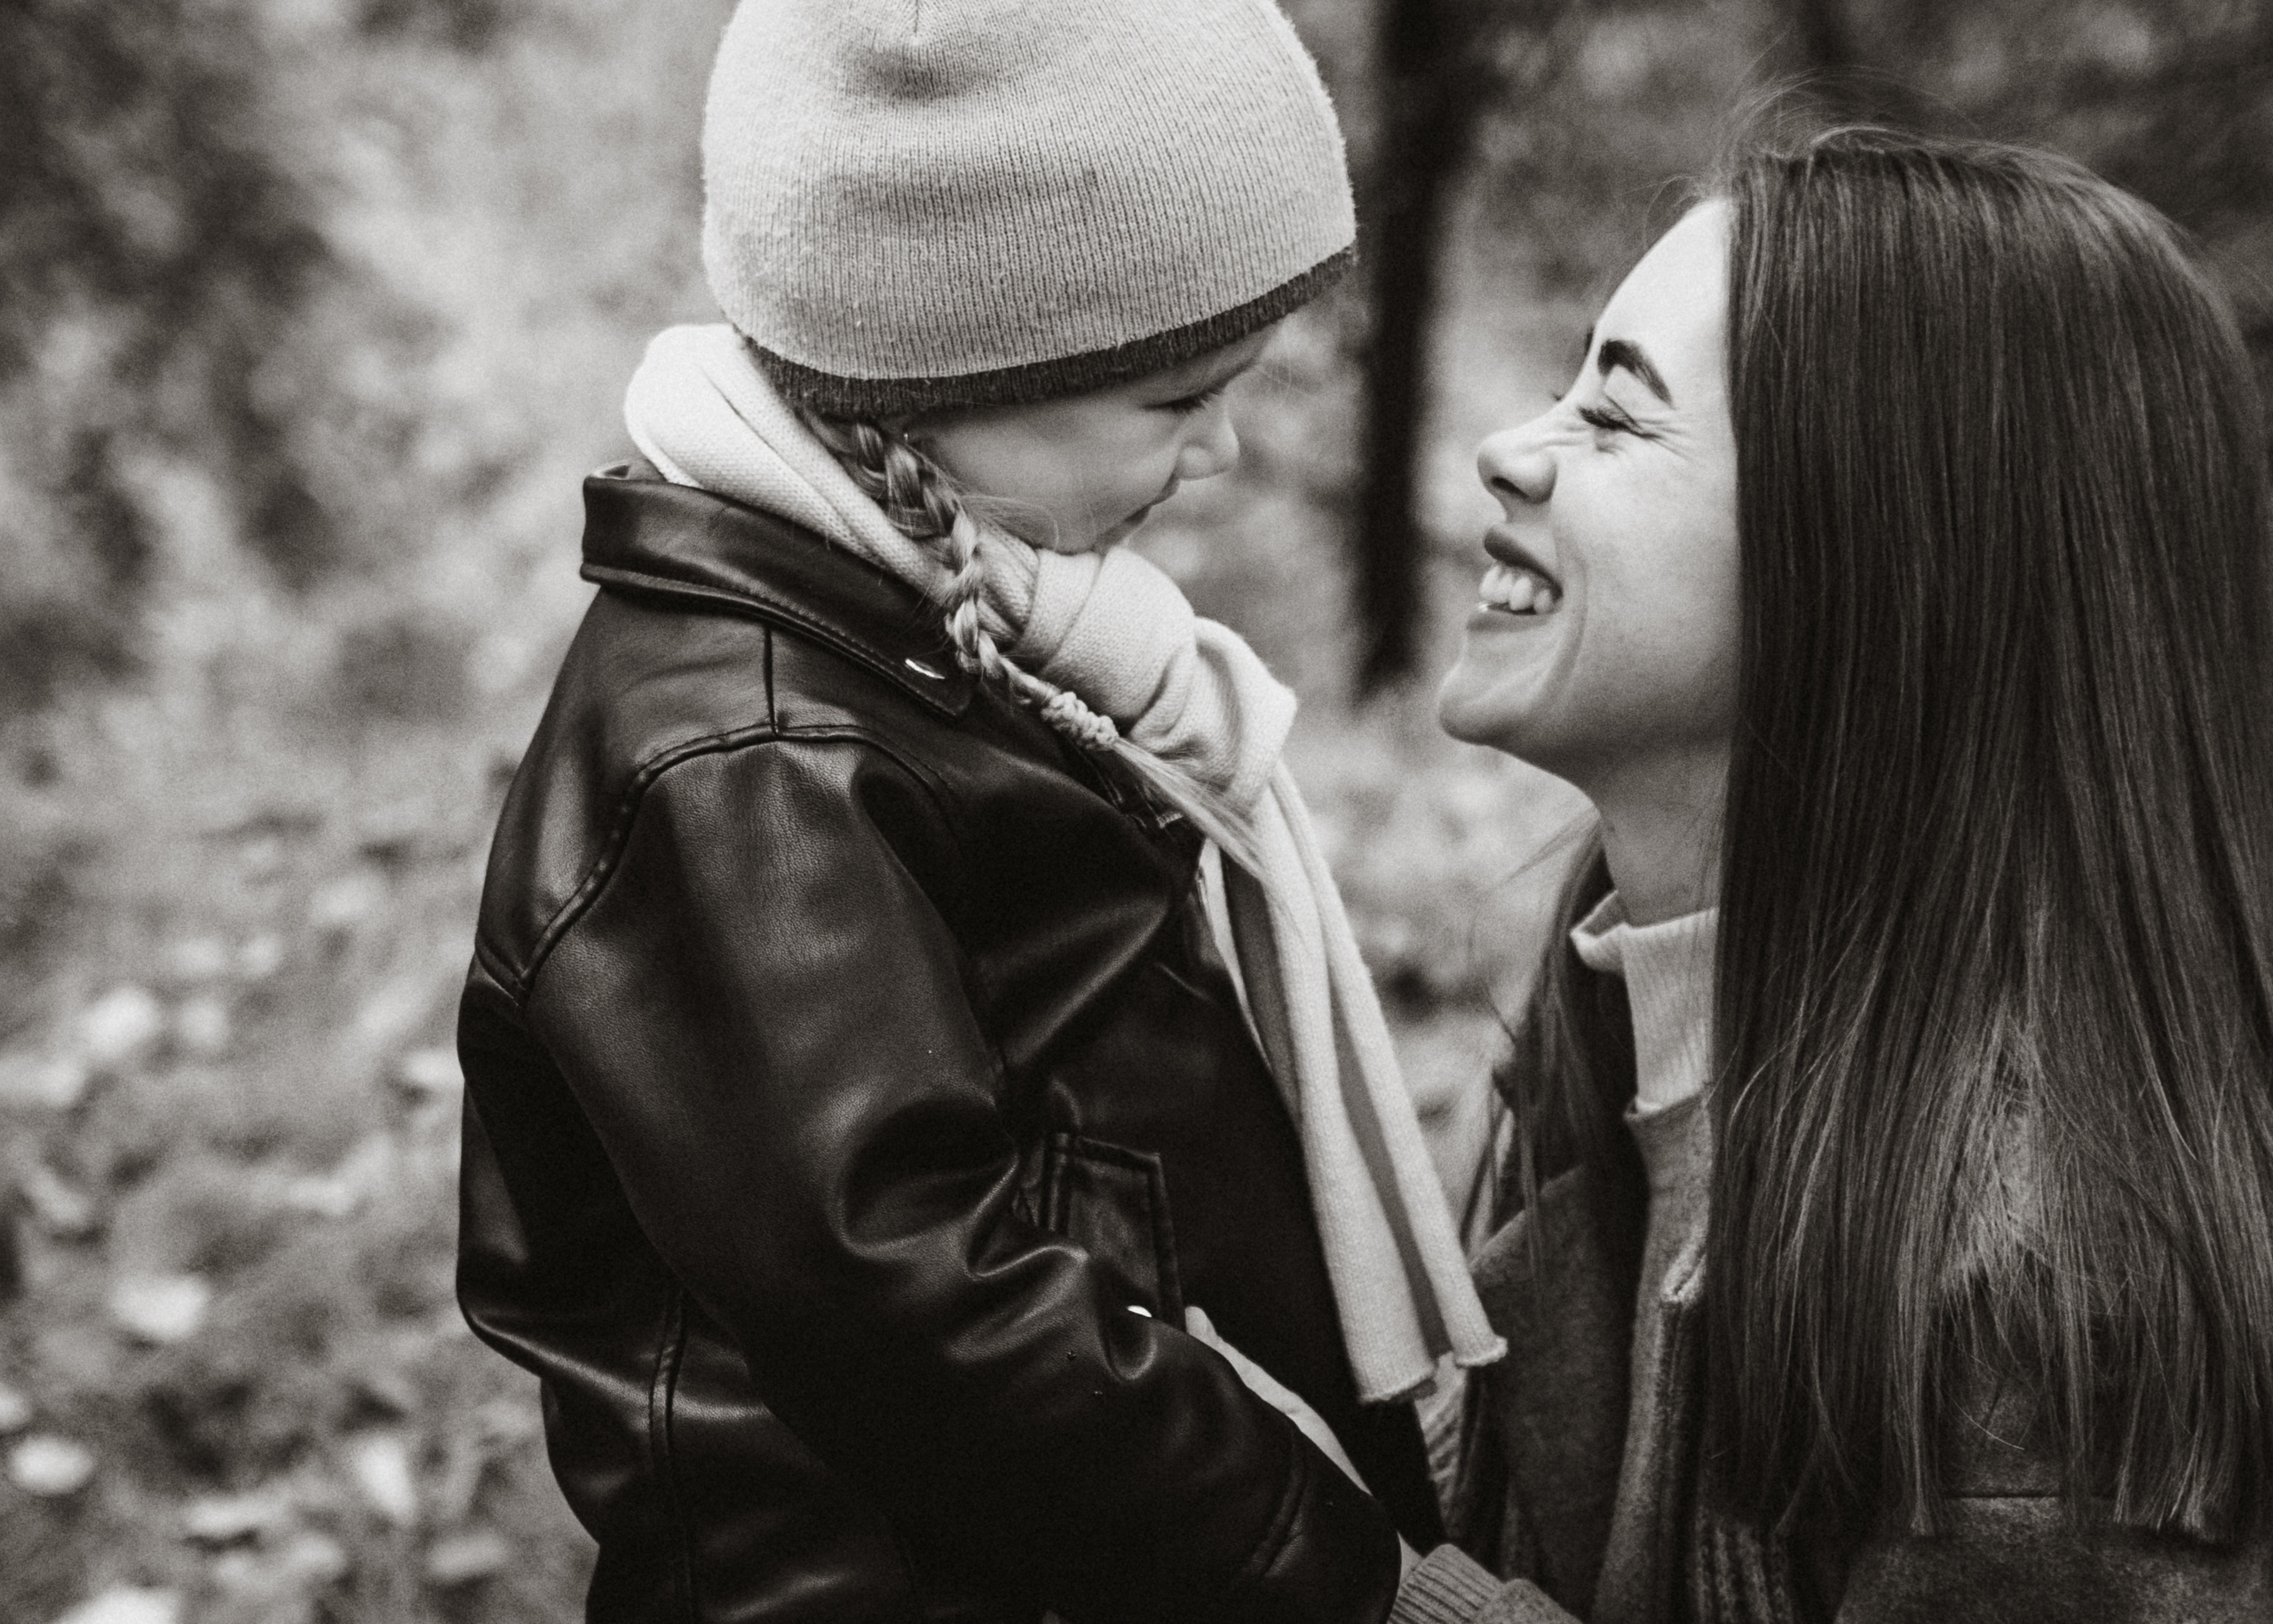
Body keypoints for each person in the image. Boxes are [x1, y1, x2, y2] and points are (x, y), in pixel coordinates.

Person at [452, 1, 1506, 1619]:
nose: (1223, 451)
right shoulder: (749, 766)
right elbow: (921, 1307)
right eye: (1177, 399)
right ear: (944, 380)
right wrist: (1342, 1579)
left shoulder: (952, 633)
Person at [1208, 127, 2273, 1621]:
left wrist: (1352, 1584)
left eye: (1616, 414)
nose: (1508, 450)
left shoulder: (2034, 1315)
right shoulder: (1601, 1077)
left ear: (1879, 546)